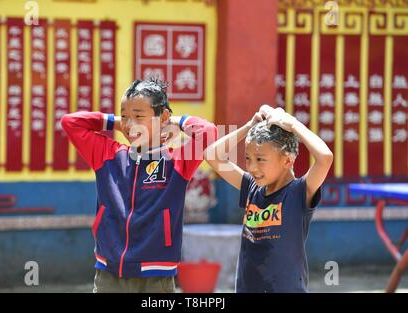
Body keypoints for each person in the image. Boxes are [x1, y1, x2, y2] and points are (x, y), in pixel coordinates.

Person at [61, 78, 217, 292]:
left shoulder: (177, 162)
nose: (129, 125)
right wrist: (118, 121)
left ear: (162, 116)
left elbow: (208, 133)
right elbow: (71, 122)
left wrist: (172, 121)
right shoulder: (109, 155)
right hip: (109, 274)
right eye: (125, 116)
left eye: (138, 116)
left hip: (156, 277)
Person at [204, 104, 333, 292]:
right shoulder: (251, 188)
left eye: (260, 159)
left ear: (288, 160)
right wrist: (249, 125)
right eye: (248, 158)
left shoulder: (298, 192)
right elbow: (212, 155)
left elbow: (325, 157)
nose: (252, 167)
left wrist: (293, 124)